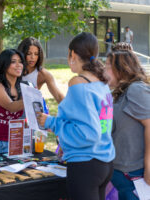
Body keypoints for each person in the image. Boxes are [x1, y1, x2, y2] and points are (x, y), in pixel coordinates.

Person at [37, 32, 115, 200]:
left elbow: (88, 133)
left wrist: (51, 122)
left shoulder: (78, 82)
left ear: (72, 54)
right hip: (105, 162)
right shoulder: (101, 81)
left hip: (86, 164)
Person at [105, 48, 150, 199]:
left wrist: (149, 165)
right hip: (120, 175)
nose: (103, 70)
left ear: (120, 69)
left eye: (107, 65)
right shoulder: (118, 93)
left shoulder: (136, 89)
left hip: (136, 177)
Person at [17, 37, 64, 103]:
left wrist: (72, 112)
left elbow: (58, 96)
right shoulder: (13, 70)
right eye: (29, 53)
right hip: (12, 110)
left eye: (36, 54)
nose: (32, 57)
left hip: (33, 111)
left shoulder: (43, 74)